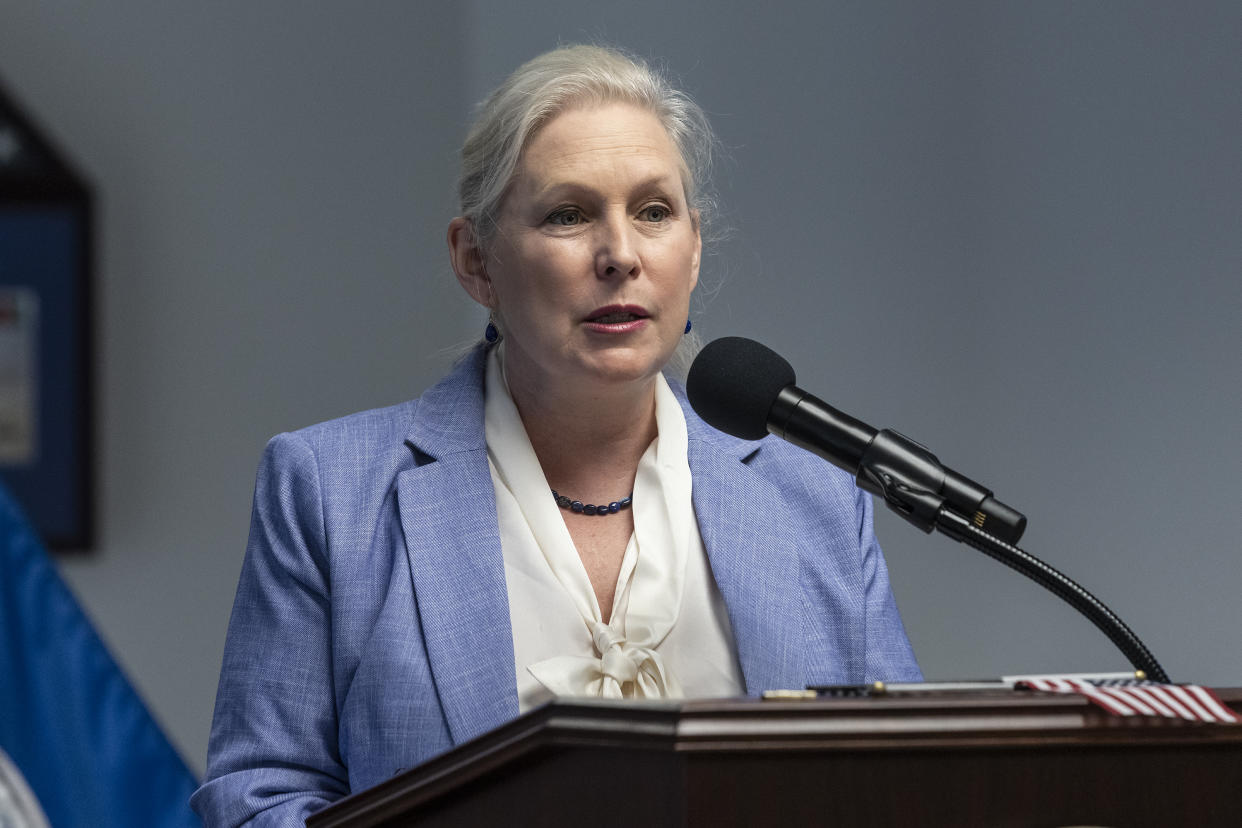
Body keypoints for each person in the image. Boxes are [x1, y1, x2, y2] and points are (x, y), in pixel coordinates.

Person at [191, 44, 920, 826]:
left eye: (653, 211)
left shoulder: (815, 497)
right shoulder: (328, 491)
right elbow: (256, 801)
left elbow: (906, 785)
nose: (620, 256)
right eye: (569, 215)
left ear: (694, 247)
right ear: (476, 261)